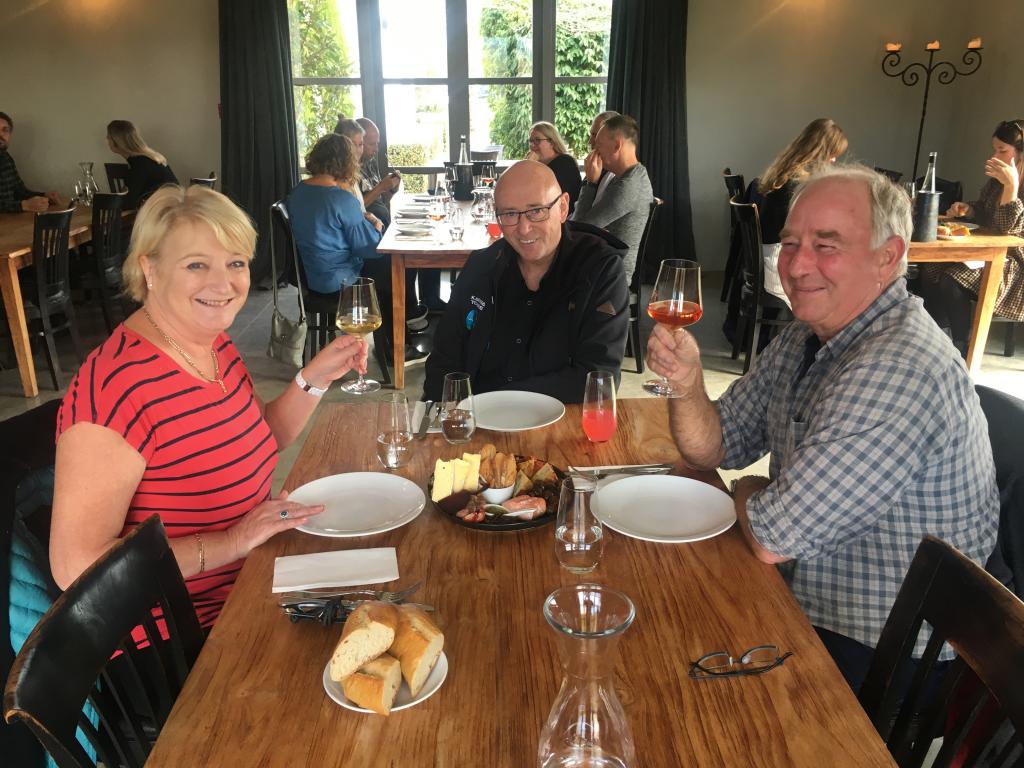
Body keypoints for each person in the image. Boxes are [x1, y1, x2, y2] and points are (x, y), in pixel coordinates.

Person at [646, 164, 999, 691]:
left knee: (665, 671)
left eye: (826, 245)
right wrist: (689, 382)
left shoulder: (899, 366)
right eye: (790, 243)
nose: (797, 265)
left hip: (885, 647)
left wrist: (749, 488)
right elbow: (714, 446)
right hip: (807, 593)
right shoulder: (806, 335)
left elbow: (770, 536)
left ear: (889, 256)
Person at [50, 185, 369, 628]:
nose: (224, 285)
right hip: (190, 638)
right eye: (196, 265)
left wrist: (313, 378)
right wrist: (233, 540)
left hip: (256, 579)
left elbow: (264, 436)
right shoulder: (115, 389)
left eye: (235, 263)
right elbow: (76, 567)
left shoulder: (210, 342)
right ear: (151, 269)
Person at [423, 160, 629, 404]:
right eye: (510, 213)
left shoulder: (600, 269)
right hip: (478, 421)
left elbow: (599, 379)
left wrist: (501, 402)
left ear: (563, 208)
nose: (524, 228)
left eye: (536, 210)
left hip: (558, 423)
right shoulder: (482, 266)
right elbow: (443, 360)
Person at [921, 119, 1024, 356]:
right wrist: (969, 209)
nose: (995, 155)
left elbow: (1007, 229)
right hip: (984, 252)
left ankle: (962, 347)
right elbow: (987, 210)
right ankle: (940, 336)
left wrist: (1012, 187)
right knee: (930, 268)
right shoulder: (996, 182)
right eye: (994, 148)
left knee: (953, 278)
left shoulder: (1009, 183)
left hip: (1015, 263)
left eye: (1002, 150)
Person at [749, 117, 848, 304]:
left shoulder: (786, 171)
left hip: (769, 255)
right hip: (779, 264)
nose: (834, 159)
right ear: (820, 151)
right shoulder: (797, 184)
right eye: (833, 153)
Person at [286, 133, 382, 294]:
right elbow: (370, 248)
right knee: (389, 266)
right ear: (347, 163)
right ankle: (384, 316)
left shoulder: (297, 192)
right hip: (340, 279)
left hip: (308, 276)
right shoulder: (341, 199)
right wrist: (377, 226)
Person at [574, 114, 654, 281]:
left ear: (617, 145)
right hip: (600, 262)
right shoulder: (629, 176)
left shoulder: (628, 185)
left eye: (599, 146)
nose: (594, 151)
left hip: (609, 276)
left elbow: (579, 229)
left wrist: (590, 184)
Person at [106, 119, 179, 210]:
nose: (107, 140)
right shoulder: (146, 159)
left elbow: (129, 203)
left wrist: (104, 201)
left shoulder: (141, 164)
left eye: (109, 137)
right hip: (170, 211)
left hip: (164, 216)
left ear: (117, 141)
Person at [0, 111, 60, 213]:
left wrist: (44, 196)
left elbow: (20, 191)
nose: (1, 134)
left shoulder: (6, 158)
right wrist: (23, 206)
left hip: (11, 224)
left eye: (5, 130)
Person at [525, 121, 582, 212]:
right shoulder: (535, 162)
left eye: (537, 140)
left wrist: (531, 168)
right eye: (531, 141)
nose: (532, 145)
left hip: (562, 214)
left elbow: (543, 194)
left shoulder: (565, 162)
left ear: (551, 142)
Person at [571, 110, 619, 217]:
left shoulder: (615, 178)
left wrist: (590, 183)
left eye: (595, 135)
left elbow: (581, 221)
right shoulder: (599, 169)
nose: (590, 142)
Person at [355, 117, 401, 224]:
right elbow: (354, 208)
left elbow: (381, 202)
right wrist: (380, 187)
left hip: (383, 227)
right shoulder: (349, 170)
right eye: (371, 144)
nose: (376, 149)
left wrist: (391, 189)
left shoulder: (371, 163)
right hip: (369, 231)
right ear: (359, 143)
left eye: (377, 143)